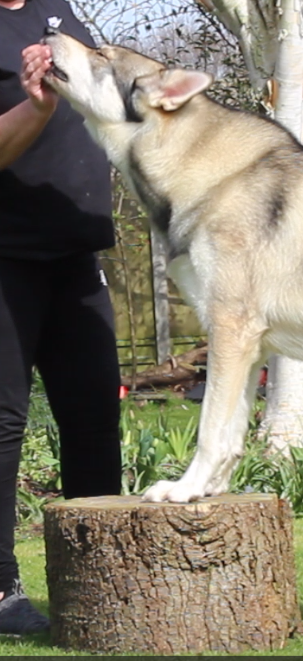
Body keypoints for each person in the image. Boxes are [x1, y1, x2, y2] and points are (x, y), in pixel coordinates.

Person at [0, 0, 122, 635]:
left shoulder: (58, 8)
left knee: (95, 420)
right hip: (7, 256)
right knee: (3, 426)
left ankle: (98, 583)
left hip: (76, 252)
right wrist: (37, 105)